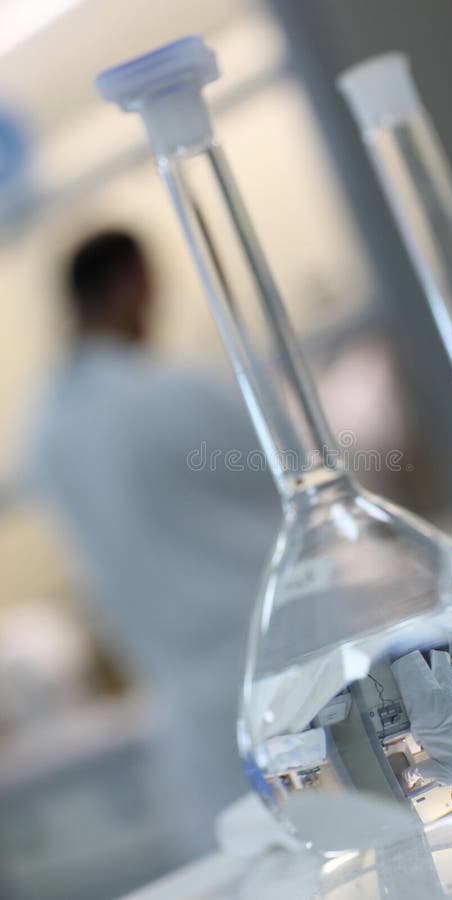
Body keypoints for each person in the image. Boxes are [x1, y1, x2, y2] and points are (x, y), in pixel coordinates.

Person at [16, 230, 279, 857]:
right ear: (128, 285)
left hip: (186, 716)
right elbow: (292, 463)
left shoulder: (47, 433)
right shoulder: (166, 395)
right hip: (270, 675)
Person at [390, 650, 452, 797]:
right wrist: (408, 782)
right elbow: (417, 771)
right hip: (431, 715)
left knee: (437, 661)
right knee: (408, 662)